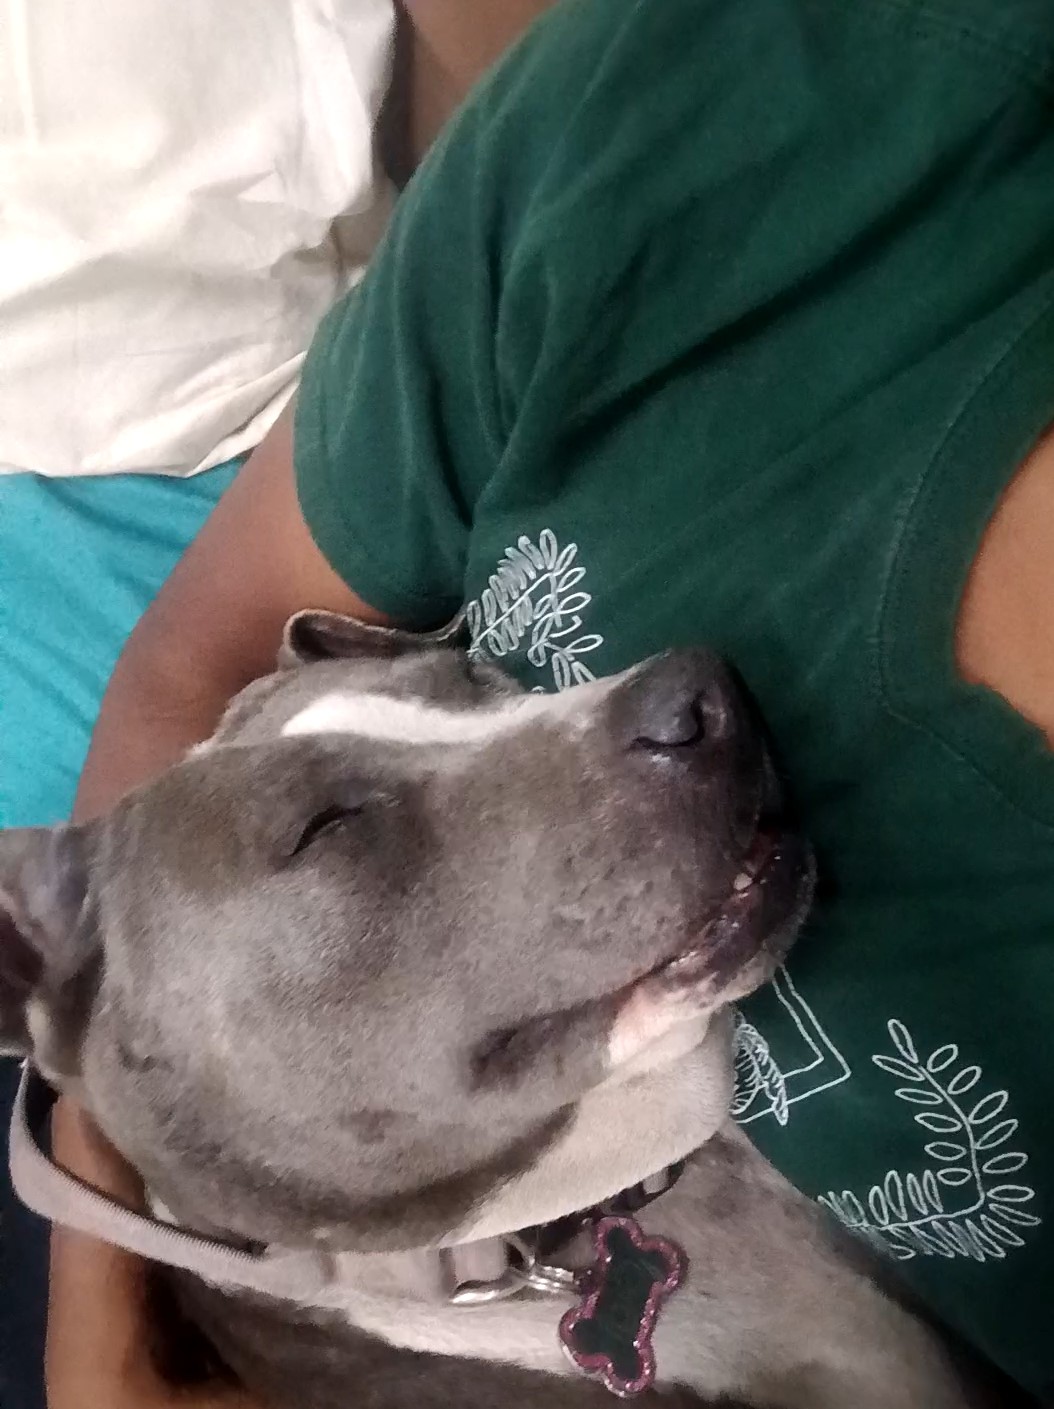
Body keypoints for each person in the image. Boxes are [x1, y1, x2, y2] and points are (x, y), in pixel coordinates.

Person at [40, 0, 1054, 1402]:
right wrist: (100, 1295)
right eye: (469, 678)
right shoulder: (691, 110)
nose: (670, 697)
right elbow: (193, 662)